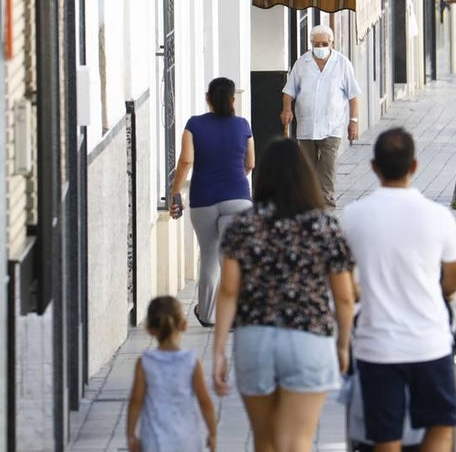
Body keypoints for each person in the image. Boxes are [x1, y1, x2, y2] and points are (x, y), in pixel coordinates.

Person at [212, 138, 356, 452]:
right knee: (296, 442)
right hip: (309, 338)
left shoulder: (244, 226)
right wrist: (344, 345)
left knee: (265, 442)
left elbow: (228, 290)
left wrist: (219, 349)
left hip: (256, 337)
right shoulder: (324, 226)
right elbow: (344, 297)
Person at [340, 128, 456, 452]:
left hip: (376, 345)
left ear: (373, 167)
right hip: (430, 342)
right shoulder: (438, 216)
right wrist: (437, 294)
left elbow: (342, 282)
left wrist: (360, 294)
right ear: (414, 166)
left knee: (385, 434)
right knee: (441, 423)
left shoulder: (353, 217)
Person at [169, 77, 255, 327]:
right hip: (238, 198)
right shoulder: (242, 125)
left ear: (208, 98)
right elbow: (250, 163)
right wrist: (235, 181)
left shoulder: (194, 125)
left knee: (208, 255)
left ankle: (206, 314)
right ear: (233, 100)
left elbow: (186, 161)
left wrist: (176, 193)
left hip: (203, 199)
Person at [280, 24, 361, 207]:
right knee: (307, 169)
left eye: (324, 43)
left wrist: (353, 122)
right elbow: (289, 91)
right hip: (307, 127)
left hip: (332, 127)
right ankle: (309, 203)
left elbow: (353, 96)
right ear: (311, 43)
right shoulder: (302, 63)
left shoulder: (342, 64)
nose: (321, 48)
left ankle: (326, 206)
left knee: (327, 170)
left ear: (331, 43)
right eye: (317, 44)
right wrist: (287, 109)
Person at [126, 296, 217, 452]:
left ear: (149, 329)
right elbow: (205, 401)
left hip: (154, 440)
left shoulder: (145, 363)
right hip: (187, 440)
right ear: (184, 325)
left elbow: (136, 400)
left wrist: (131, 434)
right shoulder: (191, 362)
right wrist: (213, 433)